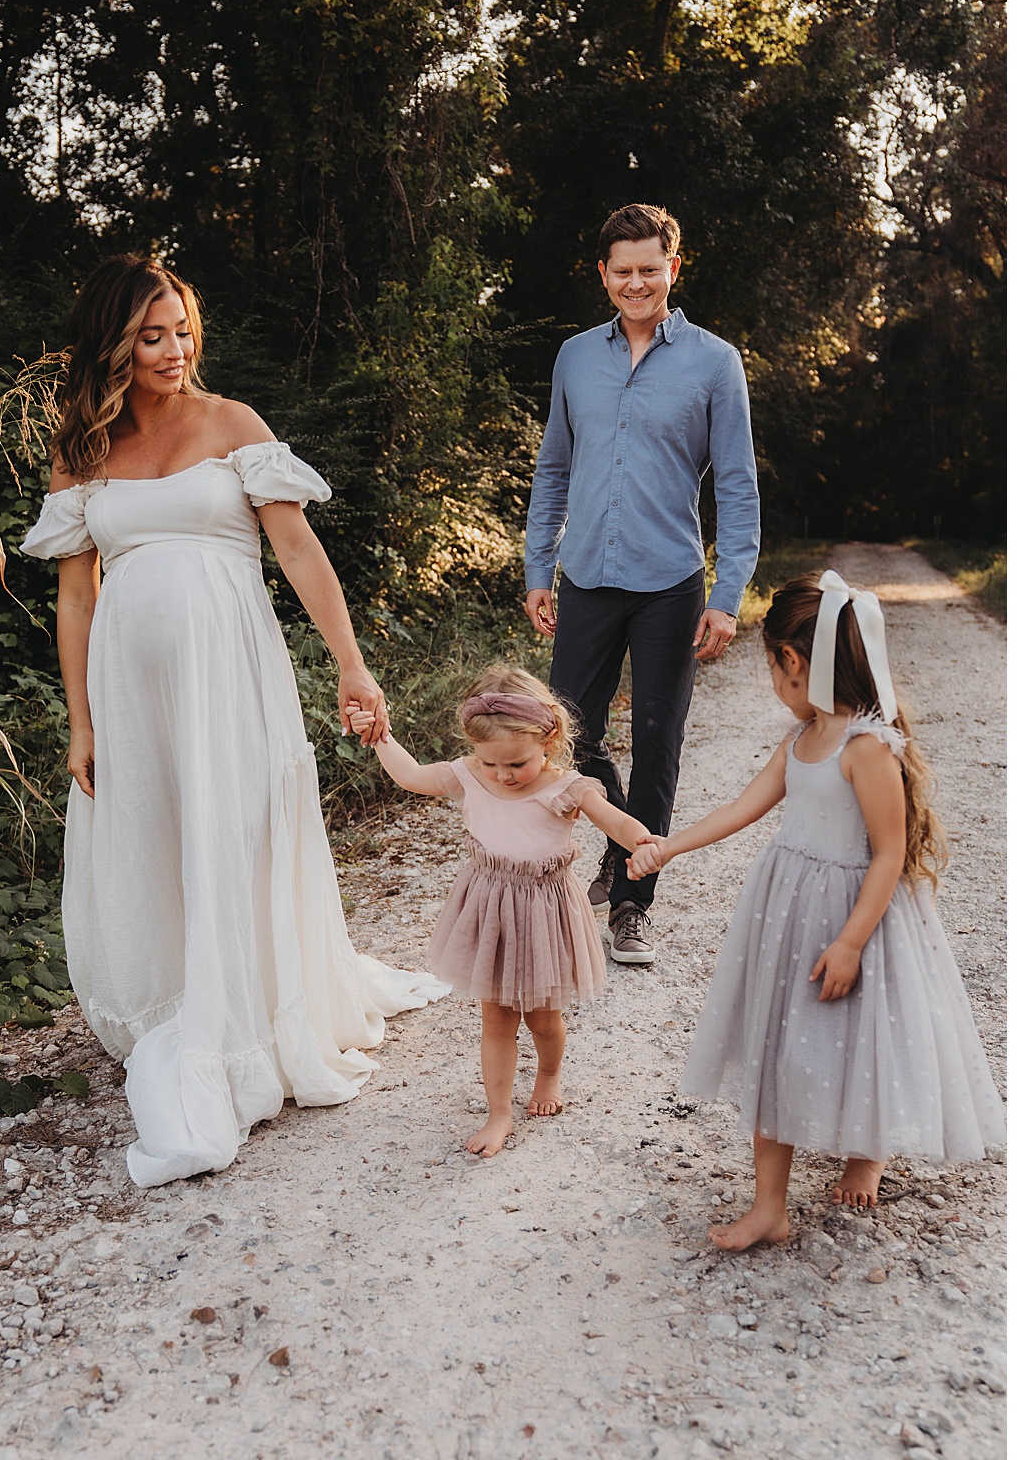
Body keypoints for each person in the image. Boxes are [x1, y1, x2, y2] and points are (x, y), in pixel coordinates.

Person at [19, 254, 447, 1187]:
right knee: (158, 835)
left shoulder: (234, 425)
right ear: (113, 344)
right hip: (132, 685)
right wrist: (79, 717)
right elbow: (76, 599)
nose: (174, 351)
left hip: (233, 669)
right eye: (150, 336)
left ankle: (255, 1007)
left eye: (181, 330)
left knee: (240, 824)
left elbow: (298, 552)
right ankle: (184, 994)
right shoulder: (82, 449)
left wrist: (351, 663)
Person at [628, 570, 1006, 1249]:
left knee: (862, 1042)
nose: (776, 684)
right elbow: (742, 808)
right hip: (788, 916)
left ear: (794, 662)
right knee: (776, 1047)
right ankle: (769, 1206)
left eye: (773, 667)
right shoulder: (800, 741)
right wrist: (668, 848)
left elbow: (890, 855)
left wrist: (853, 942)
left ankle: (868, 1149)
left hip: (856, 918)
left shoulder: (868, 749)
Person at [525, 202, 760, 967]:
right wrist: (538, 566)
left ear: (673, 269)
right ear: (603, 274)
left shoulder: (714, 362)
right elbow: (554, 468)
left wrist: (728, 596)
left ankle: (633, 902)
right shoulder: (573, 359)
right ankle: (625, 837)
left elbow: (738, 483)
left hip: (670, 582)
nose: (636, 283)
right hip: (586, 574)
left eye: (649, 270)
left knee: (660, 739)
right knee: (567, 735)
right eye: (621, 271)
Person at [350, 665, 655, 1158]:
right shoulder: (467, 775)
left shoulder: (569, 787)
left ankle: (550, 1075)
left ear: (549, 738)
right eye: (491, 764)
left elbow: (617, 821)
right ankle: (499, 1113)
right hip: (489, 908)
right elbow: (408, 776)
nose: (502, 776)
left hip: (543, 913)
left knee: (542, 1017)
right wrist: (379, 733)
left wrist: (641, 843)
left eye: (516, 764)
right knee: (495, 1018)